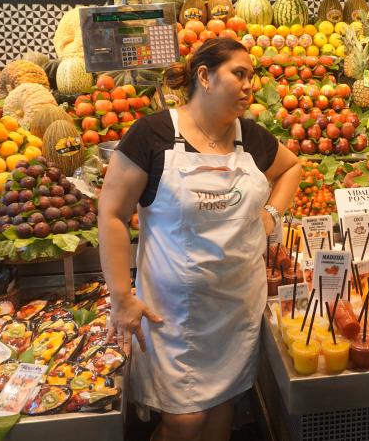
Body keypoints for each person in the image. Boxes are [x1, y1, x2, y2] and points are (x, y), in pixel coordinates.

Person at [98, 37, 302, 441]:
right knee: (185, 422)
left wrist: (271, 216)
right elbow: (112, 214)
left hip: (236, 307)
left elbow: (292, 166)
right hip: (174, 314)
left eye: (252, 76)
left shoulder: (251, 137)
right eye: (239, 74)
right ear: (205, 77)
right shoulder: (153, 134)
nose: (249, 85)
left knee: (222, 407)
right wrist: (121, 297)